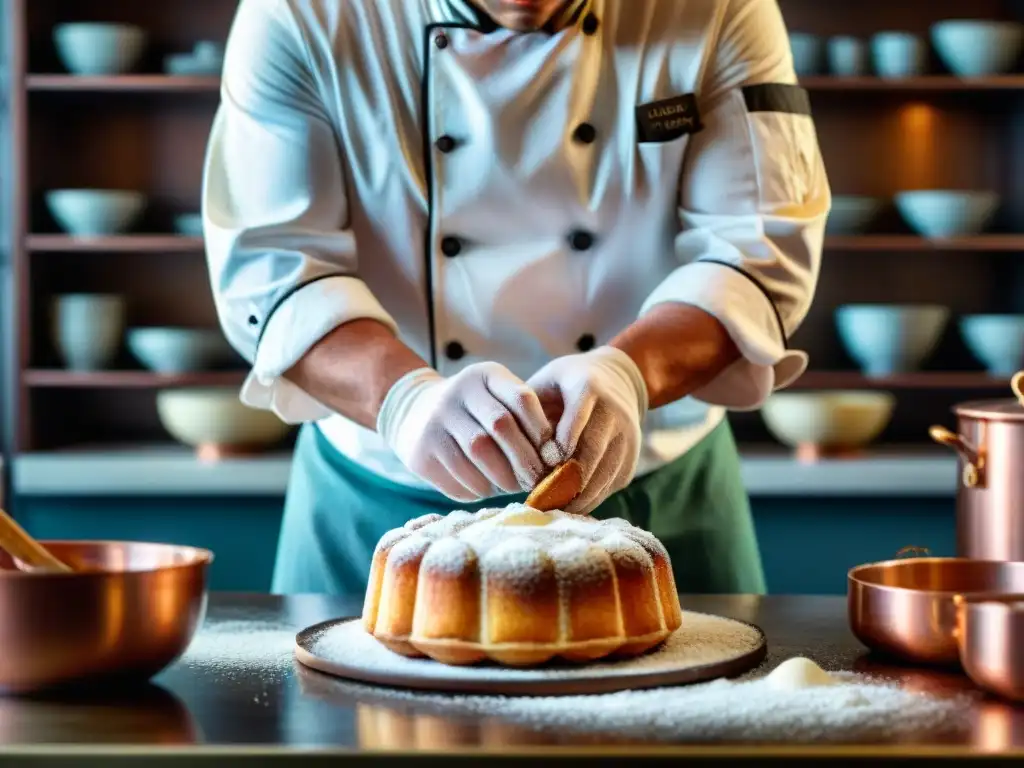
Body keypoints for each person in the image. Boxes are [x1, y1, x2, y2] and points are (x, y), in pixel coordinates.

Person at [203, 0, 830, 600]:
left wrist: (628, 376)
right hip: (377, 496)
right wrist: (405, 401)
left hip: (658, 490)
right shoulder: (298, 12)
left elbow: (755, 250)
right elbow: (275, 269)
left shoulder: (722, 7)